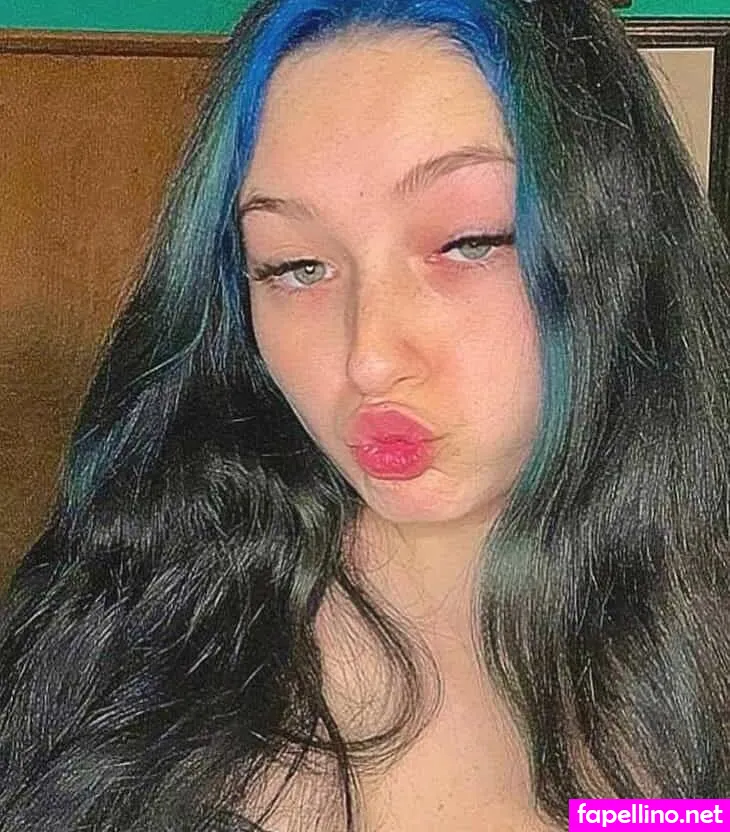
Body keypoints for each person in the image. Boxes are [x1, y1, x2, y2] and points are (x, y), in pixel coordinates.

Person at [1, 0, 729, 829]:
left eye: (469, 242)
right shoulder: (131, 607)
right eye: (296, 265)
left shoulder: (700, 667)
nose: (369, 358)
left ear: (619, 251)